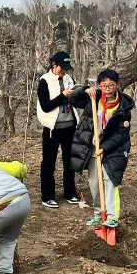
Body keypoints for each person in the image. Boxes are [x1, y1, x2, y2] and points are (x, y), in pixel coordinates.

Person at [68, 69, 134, 228]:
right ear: (99, 86)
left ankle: (112, 217)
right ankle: (98, 214)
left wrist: (104, 147)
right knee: (95, 183)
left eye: (111, 85)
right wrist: (84, 90)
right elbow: (73, 99)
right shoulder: (94, 97)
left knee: (110, 181)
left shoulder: (123, 107)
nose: (107, 89)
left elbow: (122, 134)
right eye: (104, 86)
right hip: (91, 146)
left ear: (117, 85)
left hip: (114, 149)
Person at [36, 51, 79, 208]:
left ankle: (70, 192)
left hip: (70, 126)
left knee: (69, 162)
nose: (64, 71)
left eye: (67, 68)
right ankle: (47, 196)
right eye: (62, 67)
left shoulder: (69, 79)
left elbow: (75, 100)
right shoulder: (44, 81)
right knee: (49, 163)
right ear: (54, 65)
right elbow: (46, 106)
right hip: (52, 128)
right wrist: (63, 96)